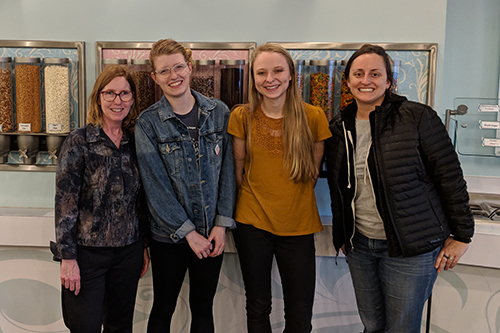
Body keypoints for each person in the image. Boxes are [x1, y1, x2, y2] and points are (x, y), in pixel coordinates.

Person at [325, 44, 474, 333]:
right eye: (358, 73)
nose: (365, 80)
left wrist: (462, 235)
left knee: (401, 329)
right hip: (360, 246)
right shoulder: (338, 127)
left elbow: (450, 177)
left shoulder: (417, 118)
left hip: (410, 249)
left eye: (374, 74)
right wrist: (343, 233)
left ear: (388, 81)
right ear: (348, 81)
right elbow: (338, 187)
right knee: (372, 325)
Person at [228, 43, 331, 333]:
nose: (269, 79)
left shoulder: (313, 117)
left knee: (300, 314)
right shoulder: (242, 116)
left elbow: (311, 173)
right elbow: (239, 172)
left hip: (298, 225)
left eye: (277, 71)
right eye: (262, 72)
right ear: (254, 78)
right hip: (252, 223)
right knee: (257, 306)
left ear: (290, 76)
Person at [135, 39, 236, 333]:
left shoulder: (218, 112)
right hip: (169, 238)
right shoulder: (148, 124)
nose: (173, 75)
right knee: (164, 307)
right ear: (154, 77)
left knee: (203, 308)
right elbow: (155, 187)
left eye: (179, 67)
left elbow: (228, 172)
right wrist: (188, 232)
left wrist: (221, 223)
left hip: (211, 233)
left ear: (190, 68)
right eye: (164, 71)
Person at [50, 64, 150, 333]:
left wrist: (143, 246)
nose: (118, 101)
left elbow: (140, 200)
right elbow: (65, 203)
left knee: (120, 326)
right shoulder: (79, 141)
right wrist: (68, 258)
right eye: (110, 93)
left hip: (128, 252)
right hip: (87, 255)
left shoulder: (136, 141)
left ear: (132, 99)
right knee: (85, 326)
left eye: (125, 94)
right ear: (98, 97)